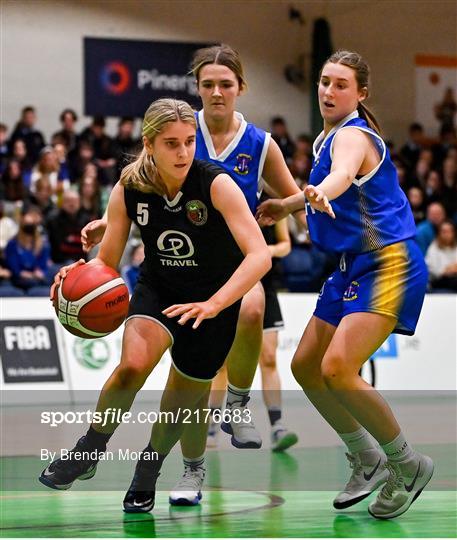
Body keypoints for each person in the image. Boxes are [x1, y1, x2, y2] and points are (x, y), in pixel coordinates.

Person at [81, 44, 306, 506]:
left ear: (241, 88)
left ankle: (239, 407)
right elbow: (143, 186)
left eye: (226, 84)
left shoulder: (261, 144)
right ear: (197, 89)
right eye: (208, 84)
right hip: (172, 264)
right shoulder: (181, 126)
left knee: (252, 307)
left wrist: (287, 204)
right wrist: (111, 220)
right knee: (183, 383)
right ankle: (184, 466)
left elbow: (294, 198)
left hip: (230, 262)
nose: (217, 92)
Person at [38, 98, 271, 514]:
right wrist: (75, 278)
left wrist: (216, 304)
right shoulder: (129, 187)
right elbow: (106, 262)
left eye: (189, 142)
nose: (183, 153)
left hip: (212, 301)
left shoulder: (215, 183)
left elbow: (259, 255)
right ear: (149, 143)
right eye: (171, 144)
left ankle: (148, 470)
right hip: (159, 290)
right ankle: (89, 448)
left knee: (178, 401)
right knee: (131, 368)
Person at [257, 50, 433, 520]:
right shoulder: (325, 138)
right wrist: (289, 204)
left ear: (360, 94)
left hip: (389, 261)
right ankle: (366, 454)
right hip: (350, 265)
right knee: (306, 366)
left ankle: (407, 463)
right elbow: (324, 184)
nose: (328, 91)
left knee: (338, 367)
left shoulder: (353, 135)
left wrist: (318, 192)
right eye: (324, 82)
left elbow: (341, 175)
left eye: (340, 84)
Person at [207, 209, 299, 452]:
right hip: (230, 283)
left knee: (268, 358)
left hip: (265, 286)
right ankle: (213, 425)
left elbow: (285, 245)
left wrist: (265, 251)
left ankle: (277, 426)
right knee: (223, 364)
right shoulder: (225, 192)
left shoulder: (272, 202)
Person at [425, 220, 457, 292]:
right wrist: (445, 271)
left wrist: (453, 269)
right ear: (439, 233)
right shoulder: (433, 247)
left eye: (449, 231)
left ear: (453, 233)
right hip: (439, 280)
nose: (446, 234)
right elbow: (431, 268)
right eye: (444, 231)